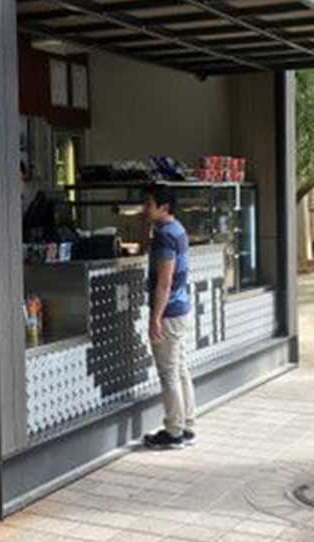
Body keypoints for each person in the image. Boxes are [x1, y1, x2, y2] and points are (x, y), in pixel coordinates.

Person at [142, 184, 196, 450]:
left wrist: (155, 317)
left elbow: (164, 281)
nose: (144, 208)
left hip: (169, 312)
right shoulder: (178, 229)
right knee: (180, 369)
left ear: (164, 207)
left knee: (169, 374)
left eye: (149, 203)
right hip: (180, 308)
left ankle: (173, 431)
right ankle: (187, 425)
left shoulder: (165, 235)